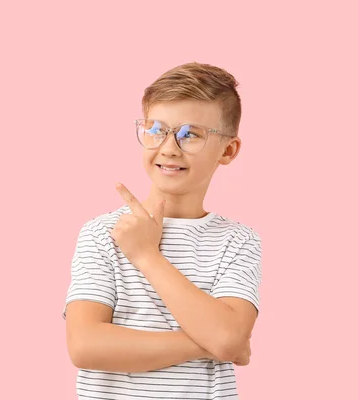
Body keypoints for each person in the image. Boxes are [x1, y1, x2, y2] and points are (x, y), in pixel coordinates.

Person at [62, 62, 263, 399]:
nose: (169, 147)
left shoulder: (238, 241)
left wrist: (146, 255)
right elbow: (85, 345)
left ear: (227, 150)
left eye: (191, 134)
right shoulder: (103, 233)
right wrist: (211, 342)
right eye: (156, 129)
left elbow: (228, 339)